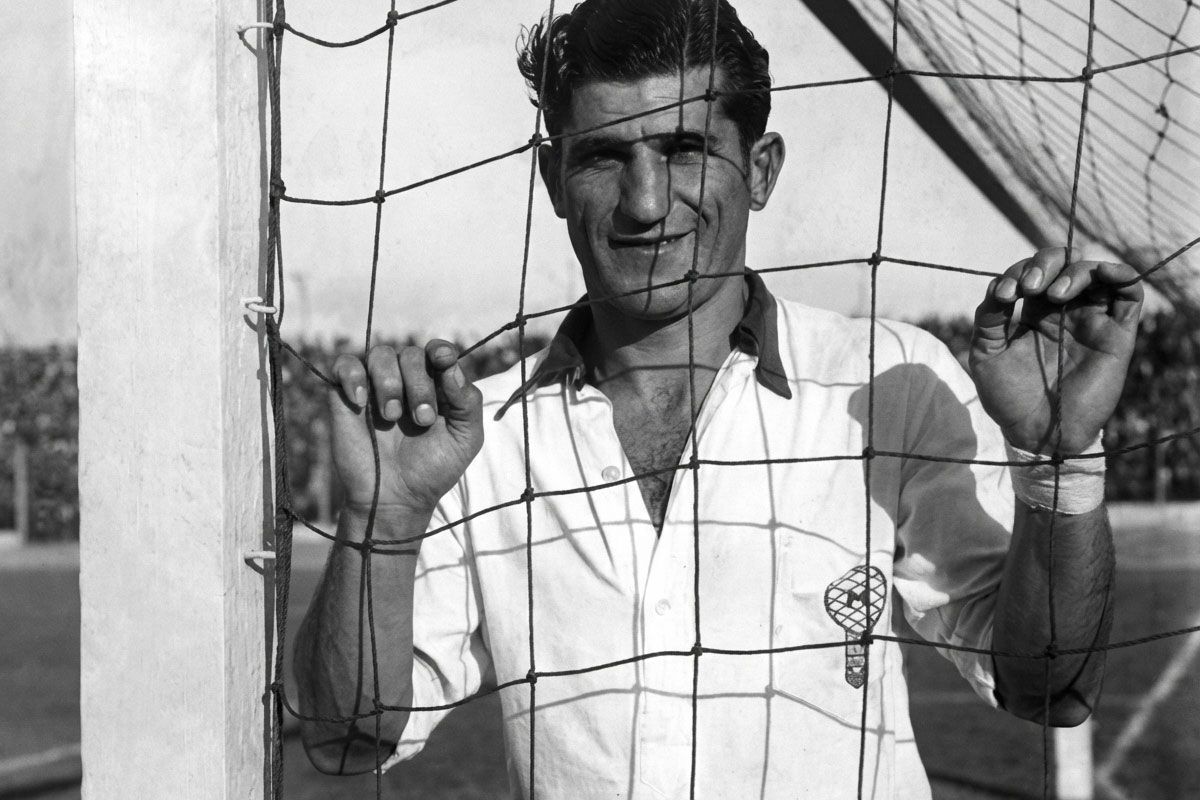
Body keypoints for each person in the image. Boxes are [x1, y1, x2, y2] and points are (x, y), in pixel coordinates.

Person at [293, 1, 1143, 797]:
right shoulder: (477, 440)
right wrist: (384, 521)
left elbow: (1051, 687)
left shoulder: (886, 381)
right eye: (604, 157)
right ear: (553, 178)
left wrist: (1058, 461)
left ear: (760, 170)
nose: (646, 202)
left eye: (684, 149)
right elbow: (345, 738)